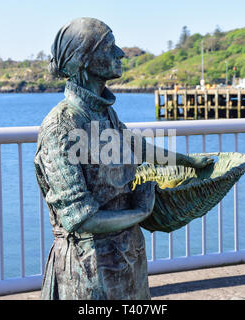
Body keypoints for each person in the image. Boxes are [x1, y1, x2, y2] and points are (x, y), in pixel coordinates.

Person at [34, 17, 212, 300]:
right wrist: (141, 213)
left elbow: (138, 148)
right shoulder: (61, 126)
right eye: (109, 46)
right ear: (83, 60)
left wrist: (188, 162)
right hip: (88, 267)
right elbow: (81, 219)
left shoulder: (104, 114)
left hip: (127, 257)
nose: (120, 54)